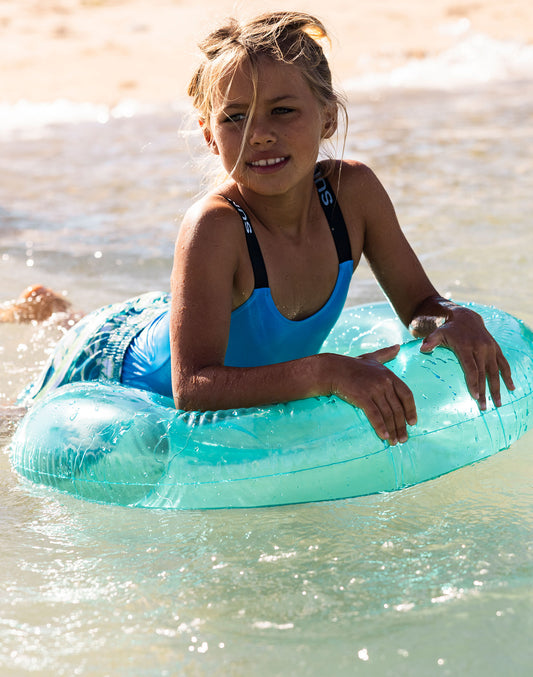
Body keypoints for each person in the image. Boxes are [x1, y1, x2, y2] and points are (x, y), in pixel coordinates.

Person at [14, 11, 514, 446]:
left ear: (327, 118)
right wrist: (329, 371)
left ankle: (54, 308)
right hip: (112, 361)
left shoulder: (353, 195)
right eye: (235, 118)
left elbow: (419, 306)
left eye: (283, 110)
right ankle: (60, 318)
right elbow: (193, 389)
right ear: (211, 137)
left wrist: (450, 316)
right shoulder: (215, 226)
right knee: (9, 429)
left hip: (172, 319)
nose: (260, 134)